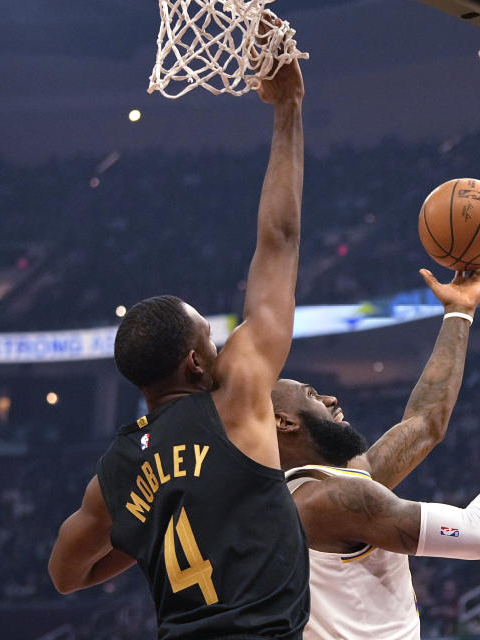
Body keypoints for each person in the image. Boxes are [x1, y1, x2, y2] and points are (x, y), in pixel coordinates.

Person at [48, 58, 308, 639]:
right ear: (195, 362)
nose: (221, 344)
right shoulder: (236, 395)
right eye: (210, 338)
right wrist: (288, 109)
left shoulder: (115, 471)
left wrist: (138, 536)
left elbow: (64, 574)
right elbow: (280, 240)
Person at [271, 260, 480, 640]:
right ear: (285, 423)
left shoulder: (318, 490)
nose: (329, 398)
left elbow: (426, 422)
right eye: (311, 396)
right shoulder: (331, 499)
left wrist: (459, 312)